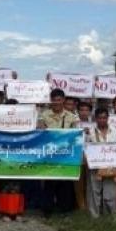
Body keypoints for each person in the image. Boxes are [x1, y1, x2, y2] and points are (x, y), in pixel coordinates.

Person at [38, 88, 79, 216]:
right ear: (51, 101)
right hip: (49, 154)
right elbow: (40, 131)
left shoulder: (72, 117)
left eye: (59, 100)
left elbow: (76, 135)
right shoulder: (44, 115)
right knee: (49, 182)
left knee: (65, 182)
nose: (56, 102)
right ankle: (47, 210)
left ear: (63, 100)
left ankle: (65, 209)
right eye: (54, 100)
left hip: (65, 154)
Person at [86, 107, 116, 218]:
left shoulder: (115, 131)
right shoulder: (90, 133)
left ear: (108, 118)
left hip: (111, 166)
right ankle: (95, 216)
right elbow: (85, 148)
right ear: (95, 119)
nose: (102, 120)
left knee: (111, 192)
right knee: (94, 192)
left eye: (104, 118)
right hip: (95, 167)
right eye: (99, 118)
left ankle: (111, 215)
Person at [74, 101, 93, 211]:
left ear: (90, 112)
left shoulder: (94, 124)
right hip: (78, 156)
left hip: (91, 157)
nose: (84, 112)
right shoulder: (74, 124)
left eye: (87, 110)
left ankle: (89, 204)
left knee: (89, 182)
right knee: (78, 182)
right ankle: (81, 205)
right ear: (78, 111)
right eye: (82, 110)